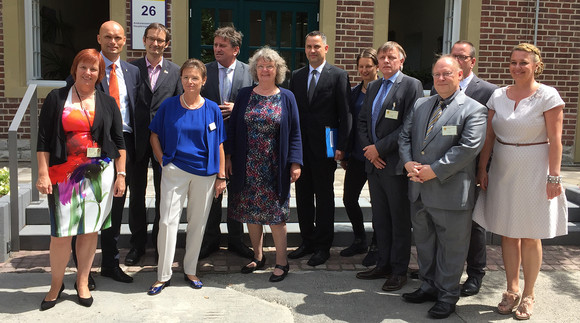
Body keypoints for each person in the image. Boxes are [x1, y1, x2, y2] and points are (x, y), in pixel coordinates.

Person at [472, 43, 568, 320]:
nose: (517, 67)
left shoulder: (548, 95)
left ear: (536, 65)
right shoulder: (498, 96)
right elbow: (488, 137)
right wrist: (482, 168)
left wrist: (554, 176)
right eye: (513, 62)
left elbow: (556, 141)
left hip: (535, 168)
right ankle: (511, 289)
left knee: (529, 233)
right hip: (503, 167)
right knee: (508, 232)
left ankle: (529, 293)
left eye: (523, 62)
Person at [36, 48, 126, 310]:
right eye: (83, 67)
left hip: (99, 176)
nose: (88, 72)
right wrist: (42, 173)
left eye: (94, 68)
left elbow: (119, 142)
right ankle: (56, 284)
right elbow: (43, 140)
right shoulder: (56, 98)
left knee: (89, 231)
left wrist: (121, 175)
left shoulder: (107, 102)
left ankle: (82, 281)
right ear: (75, 69)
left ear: (100, 74)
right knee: (61, 234)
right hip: (63, 177)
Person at [398, 55, 487, 319]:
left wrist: (432, 171)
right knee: (425, 244)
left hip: (450, 192)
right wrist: (407, 164)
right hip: (419, 190)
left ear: (460, 74)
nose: (440, 79)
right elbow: (405, 136)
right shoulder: (421, 104)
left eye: (447, 73)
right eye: (437, 74)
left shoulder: (474, 109)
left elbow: (468, 149)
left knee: (452, 249)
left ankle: (448, 296)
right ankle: (428, 286)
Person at [147, 59, 227, 295]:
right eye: (185, 77)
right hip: (175, 170)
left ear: (203, 81)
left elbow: (220, 143)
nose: (189, 82)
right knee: (167, 222)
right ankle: (163, 275)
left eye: (195, 78)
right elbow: (154, 135)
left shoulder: (212, 108)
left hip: (205, 173)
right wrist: (163, 160)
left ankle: (191, 270)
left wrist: (221, 176)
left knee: (197, 224)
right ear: (180, 79)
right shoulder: (169, 106)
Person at [226, 47, 302, 282]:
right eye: (261, 66)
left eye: (270, 66)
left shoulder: (286, 96)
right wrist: (228, 157)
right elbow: (234, 128)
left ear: (277, 70)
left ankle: (282, 261)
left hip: (274, 167)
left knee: (277, 217)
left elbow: (296, 133)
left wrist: (295, 162)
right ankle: (258, 256)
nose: (265, 70)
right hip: (247, 166)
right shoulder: (244, 94)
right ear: (255, 70)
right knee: (250, 214)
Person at [431, 40, 498, 297]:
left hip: (474, 168)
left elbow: (490, 134)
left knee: (475, 225)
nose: (457, 60)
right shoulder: (439, 90)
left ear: (472, 61)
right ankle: (445, 273)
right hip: (443, 171)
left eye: (462, 57)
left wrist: (484, 168)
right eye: (454, 56)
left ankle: (475, 273)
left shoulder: (488, 91)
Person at [355, 42, 423, 292]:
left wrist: (379, 149)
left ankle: (398, 270)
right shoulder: (373, 86)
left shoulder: (411, 85)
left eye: (391, 57)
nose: (385, 61)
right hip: (375, 165)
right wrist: (370, 152)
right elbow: (362, 121)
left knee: (399, 220)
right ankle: (382, 264)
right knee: (381, 219)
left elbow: (409, 125)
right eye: (382, 57)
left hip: (394, 164)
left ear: (401, 61)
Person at [288, 31, 351, 267]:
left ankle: (323, 246)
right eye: (308, 47)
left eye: (316, 46)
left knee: (324, 198)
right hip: (302, 147)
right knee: (303, 197)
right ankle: (307, 241)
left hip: (326, 147)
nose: (312, 51)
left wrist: (343, 146)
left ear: (326, 49)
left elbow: (345, 114)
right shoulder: (297, 76)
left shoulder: (338, 76)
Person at [127, 23, 183, 265]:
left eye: (160, 40)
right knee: (136, 194)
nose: (155, 44)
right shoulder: (130, 70)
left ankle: (161, 243)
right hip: (137, 140)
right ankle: (137, 245)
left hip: (164, 142)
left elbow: (179, 106)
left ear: (166, 44)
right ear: (144, 40)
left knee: (165, 194)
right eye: (151, 39)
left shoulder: (175, 71)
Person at [200, 26, 254, 260]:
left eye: (223, 45)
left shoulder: (250, 72)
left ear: (236, 49)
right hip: (209, 143)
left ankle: (236, 240)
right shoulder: (204, 71)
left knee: (237, 194)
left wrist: (238, 108)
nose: (217, 49)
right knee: (212, 194)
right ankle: (210, 240)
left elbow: (259, 102)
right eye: (215, 44)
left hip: (241, 144)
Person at [96, 20, 140, 284]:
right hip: (96, 146)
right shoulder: (89, 67)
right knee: (91, 207)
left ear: (124, 41)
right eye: (108, 37)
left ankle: (110, 264)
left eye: (119, 38)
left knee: (116, 205)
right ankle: (84, 269)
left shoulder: (131, 71)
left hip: (126, 143)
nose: (114, 42)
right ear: (99, 38)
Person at [339, 48, 378, 263]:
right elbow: (349, 125)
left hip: (379, 158)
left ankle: (377, 244)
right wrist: (345, 152)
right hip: (356, 156)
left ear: (376, 67)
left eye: (368, 66)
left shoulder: (382, 91)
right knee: (349, 199)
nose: (364, 70)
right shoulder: (353, 93)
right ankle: (359, 238)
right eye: (361, 66)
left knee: (378, 203)